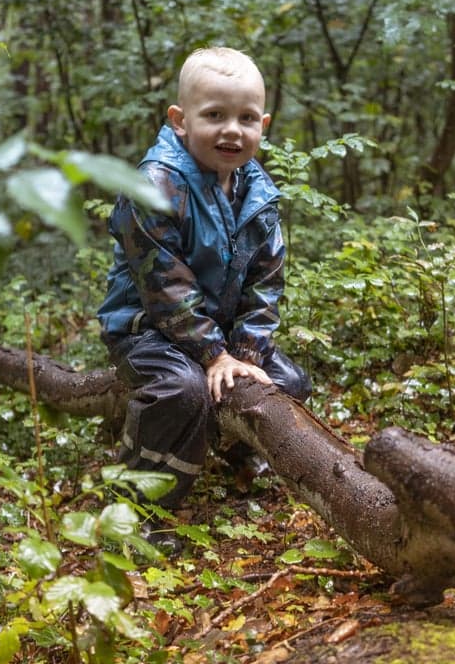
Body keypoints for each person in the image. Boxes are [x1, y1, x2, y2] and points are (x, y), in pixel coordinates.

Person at [97, 47, 312, 540]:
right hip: (148, 328)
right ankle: (136, 514)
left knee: (288, 383)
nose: (231, 130)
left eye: (246, 118)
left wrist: (245, 351)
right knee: (181, 389)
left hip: (217, 334)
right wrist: (212, 354)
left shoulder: (256, 190)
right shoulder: (154, 185)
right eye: (214, 115)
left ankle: (237, 456)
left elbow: (266, 278)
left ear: (264, 124)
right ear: (180, 120)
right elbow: (163, 286)